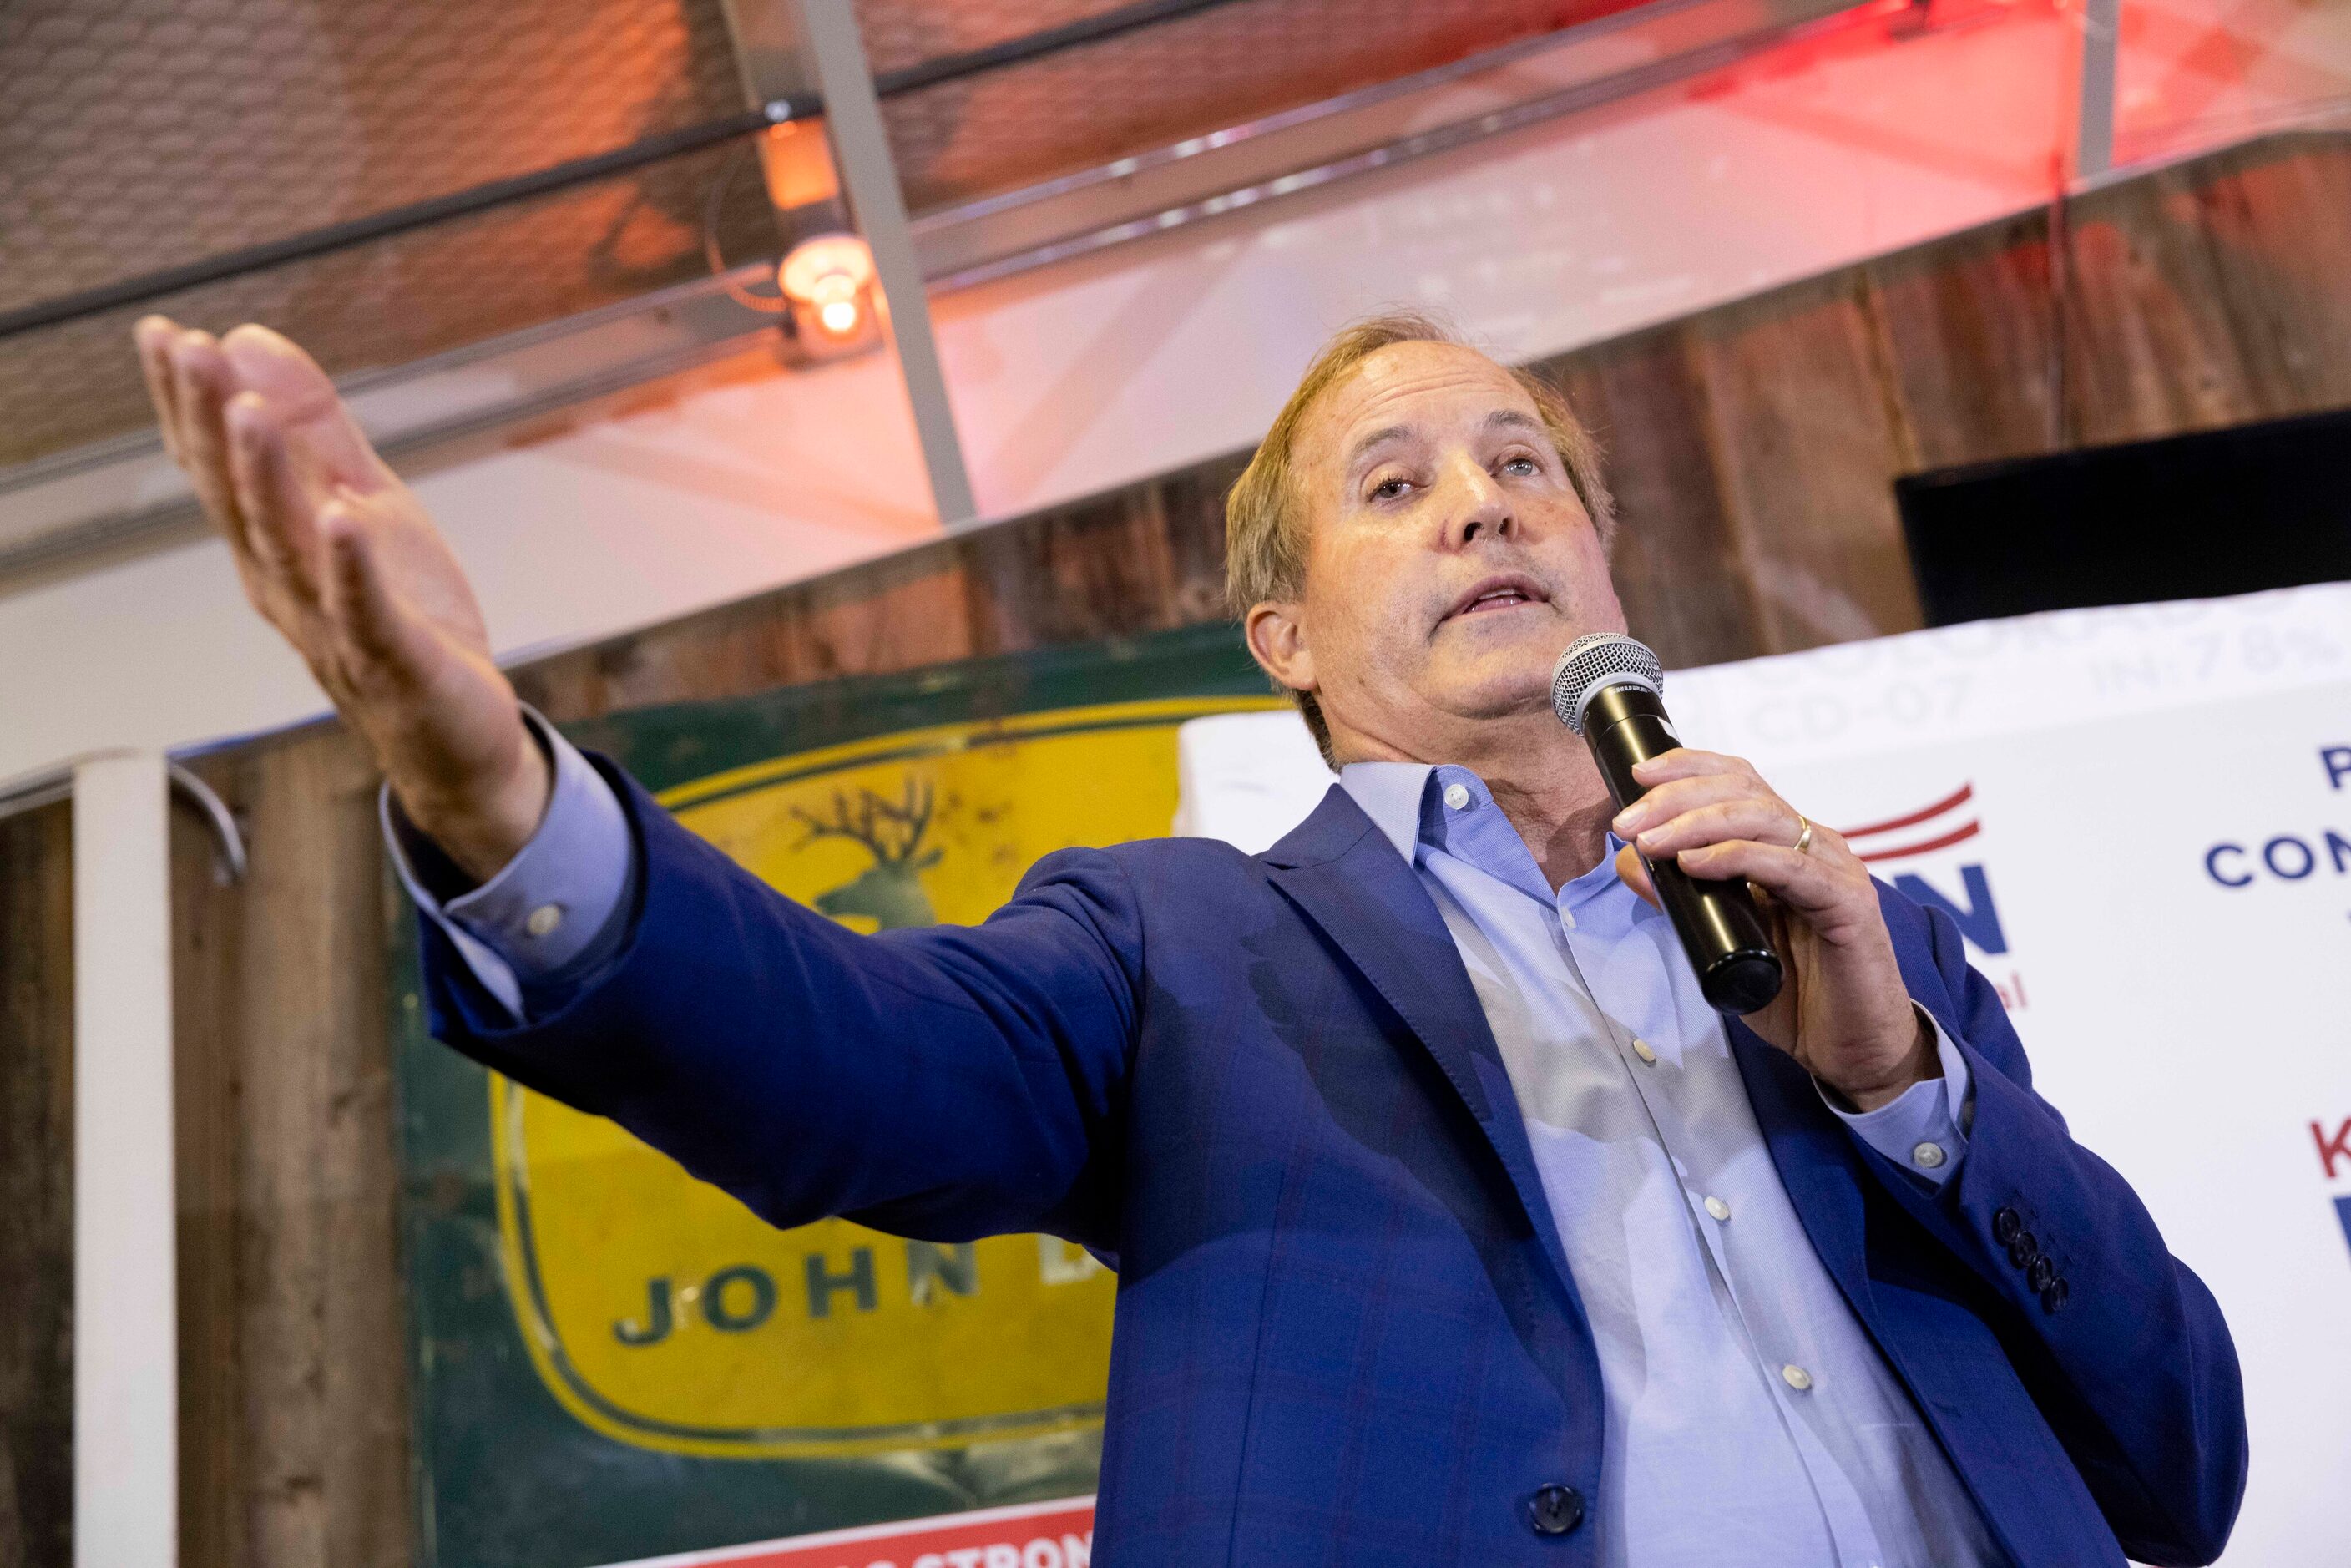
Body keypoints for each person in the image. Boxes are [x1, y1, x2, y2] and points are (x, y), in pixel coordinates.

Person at [133, 308, 2245, 1567]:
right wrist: (500, 795)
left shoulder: (1855, 955)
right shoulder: (1181, 946)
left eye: (1526, 468)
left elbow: (2181, 1460)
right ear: (1289, 642)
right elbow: (845, 1065)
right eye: (1397, 486)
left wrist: (1897, 1085)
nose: (1487, 505)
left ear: (1607, 560)